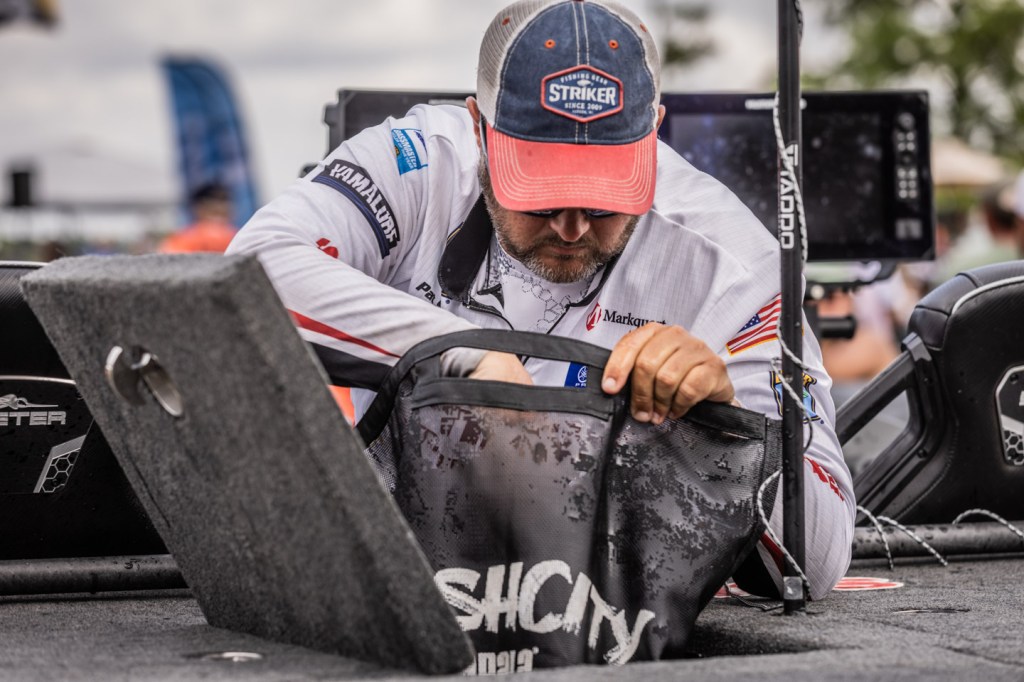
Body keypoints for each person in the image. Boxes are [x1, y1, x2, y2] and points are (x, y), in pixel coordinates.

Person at [227, 0, 854, 601]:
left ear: (652, 136)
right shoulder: (417, 161)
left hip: (596, 615)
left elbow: (819, 560)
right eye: (541, 192)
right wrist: (458, 354)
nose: (573, 227)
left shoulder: (733, 263)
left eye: (605, 199)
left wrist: (725, 429)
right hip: (401, 587)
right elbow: (251, 272)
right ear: (479, 129)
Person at [159, 182, 237, 254]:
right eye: (214, 211)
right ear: (199, 208)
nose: (220, 207)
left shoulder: (181, 238)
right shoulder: (184, 238)